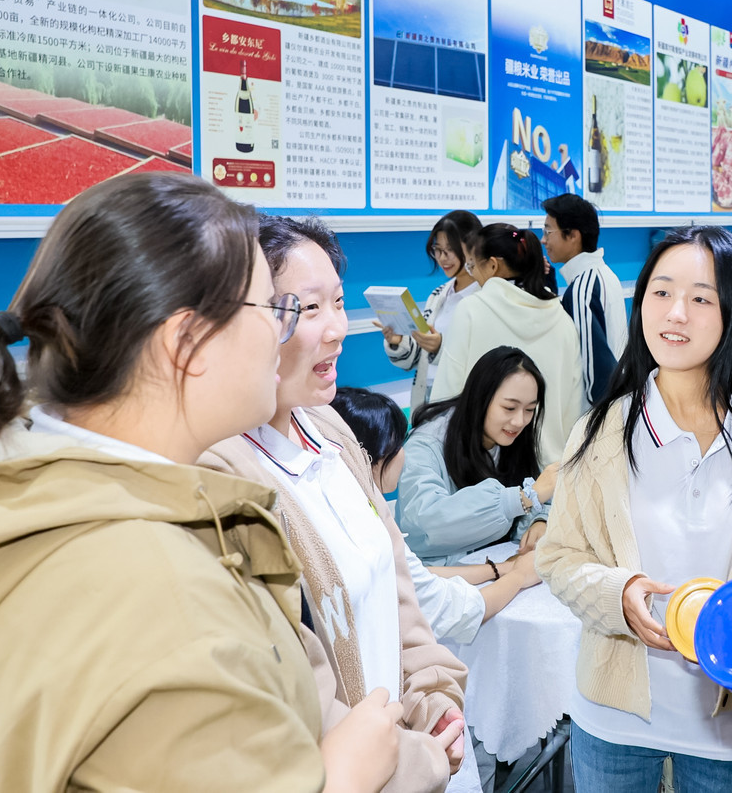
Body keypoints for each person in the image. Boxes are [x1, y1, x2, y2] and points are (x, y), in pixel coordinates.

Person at [0, 174, 400, 793]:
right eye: (275, 309)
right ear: (187, 343)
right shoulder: (164, 590)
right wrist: (347, 774)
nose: (286, 333)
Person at [536, 226, 732, 793]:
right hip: (613, 721)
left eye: (701, 298)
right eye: (661, 292)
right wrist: (618, 594)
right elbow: (559, 556)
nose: (675, 313)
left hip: (730, 725)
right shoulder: (602, 430)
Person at [199, 215, 469, 793]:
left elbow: (398, 592)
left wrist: (435, 699)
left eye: (340, 303)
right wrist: (416, 759)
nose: (337, 328)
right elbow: (295, 692)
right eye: (307, 308)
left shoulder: (329, 428)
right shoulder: (219, 473)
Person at [332, 386, 542, 645]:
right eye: (398, 446)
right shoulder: (368, 531)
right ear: (370, 456)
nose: (519, 420)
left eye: (530, 410)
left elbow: (416, 574)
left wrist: (501, 569)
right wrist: (519, 577)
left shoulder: (355, 509)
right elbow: (454, 610)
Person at [432, 224, 584, 465]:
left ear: (493, 265)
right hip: (547, 470)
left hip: (479, 465)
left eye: (473, 266)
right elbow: (574, 405)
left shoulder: (471, 310)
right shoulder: (562, 319)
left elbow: (446, 392)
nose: (473, 274)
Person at [398, 347, 556, 565]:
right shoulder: (426, 446)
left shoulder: (513, 438)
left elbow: (540, 495)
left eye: (530, 409)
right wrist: (523, 498)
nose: (520, 421)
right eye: (509, 408)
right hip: (441, 577)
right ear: (480, 398)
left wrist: (539, 520)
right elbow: (426, 526)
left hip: (494, 566)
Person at [383, 210, 484, 412]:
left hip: (464, 401)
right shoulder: (438, 294)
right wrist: (398, 341)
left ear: (473, 248)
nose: (442, 258)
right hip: (427, 396)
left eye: (450, 250)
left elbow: (484, 359)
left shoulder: (485, 296)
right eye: (438, 250)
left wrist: (440, 347)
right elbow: (418, 358)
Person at [542, 193, 628, 407]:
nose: (543, 240)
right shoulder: (602, 274)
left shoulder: (583, 289)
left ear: (573, 235)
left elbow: (596, 377)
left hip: (593, 413)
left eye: (548, 232)